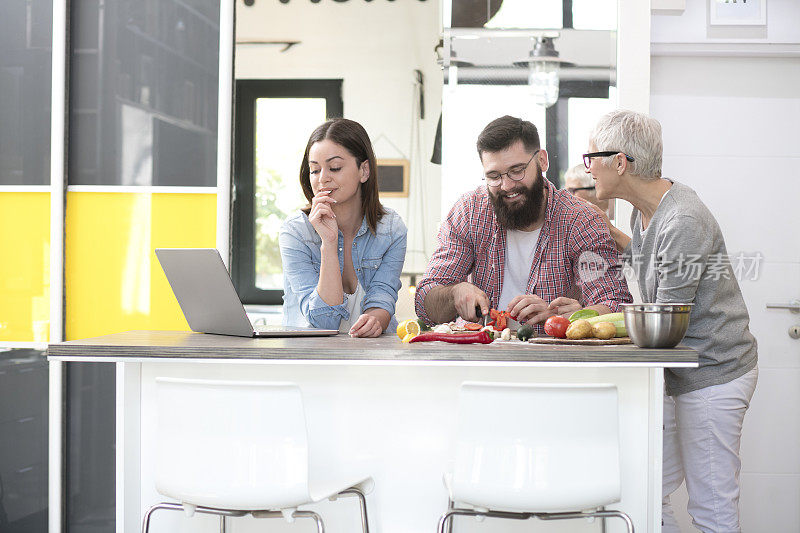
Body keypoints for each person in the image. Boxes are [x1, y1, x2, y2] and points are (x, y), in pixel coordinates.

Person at [585, 109, 758, 533]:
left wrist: (589, 320)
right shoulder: (644, 211)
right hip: (683, 371)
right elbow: (653, 263)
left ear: (619, 162)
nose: (587, 167)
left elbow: (663, 320)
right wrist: (607, 232)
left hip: (713, 372)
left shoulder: (683, 219)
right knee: (643, 489)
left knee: (712, 509)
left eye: (592, 157)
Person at [415, 115, 631, 328]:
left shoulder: (580, 220)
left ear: (542, 160)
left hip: (553, 357)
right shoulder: (470, 212)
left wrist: (568, 316)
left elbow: (616, 304)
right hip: (480, 354)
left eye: (517, 171)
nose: (507, 185)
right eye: (493, 176)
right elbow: (425, 303)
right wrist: (455, 293)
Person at [279, 118, 407, 337]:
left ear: (364, 171)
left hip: (371, 353)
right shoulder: (295, 233)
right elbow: (324, 321)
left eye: (335, 167)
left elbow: (383, 296)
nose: (322, 179)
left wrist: (375, 320)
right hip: (309, 357)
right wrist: (328, 243)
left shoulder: (391, 228)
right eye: (314, 170)